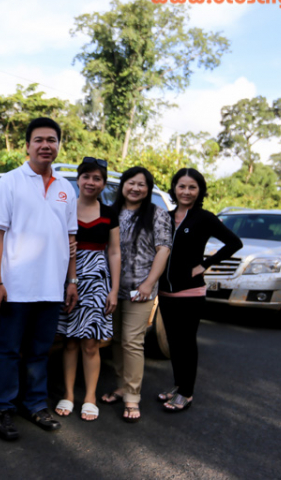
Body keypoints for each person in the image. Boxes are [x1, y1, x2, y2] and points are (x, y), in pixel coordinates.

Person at [0, 117, 79, 441]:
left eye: (51, 140)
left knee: (40, 351)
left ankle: (36, 404)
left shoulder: (67, 189)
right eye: (38, 140)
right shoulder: (10, 182)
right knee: (8, 350)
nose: (45, 145)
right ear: (27, 145)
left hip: (52, 288)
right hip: (17, 287)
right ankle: (2, 410)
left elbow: (70, 241)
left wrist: (71, 281)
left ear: (58, 145)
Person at [157, 168, 242, 412]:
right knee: (173, 342)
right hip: (165, 291)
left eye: (192, 187)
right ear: (174, 188)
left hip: (191, 292)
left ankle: (187, 392)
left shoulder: (204, 218)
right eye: (181, 186)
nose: (186, 191)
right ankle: (177, 385)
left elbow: (235, 242)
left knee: (186, 342)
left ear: (199, 191)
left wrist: (204, 265)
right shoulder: (165, 216)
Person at [100, 167, 172, 423]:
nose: (136, 188)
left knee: (132, 341)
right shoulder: (111, 211)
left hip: (141, 288)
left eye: (142, 184)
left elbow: (163, 250)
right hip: (112, 288)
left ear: (148, 189)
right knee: (117, 339)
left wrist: (149, 283)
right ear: (123, 185)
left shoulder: (157, 214)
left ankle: (132, 397)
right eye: (131, 183)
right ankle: (121, 386)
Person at [55, 157, 120, 422]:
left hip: (97, 282)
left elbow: (114, 252)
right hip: (66, 279)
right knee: (69, 342)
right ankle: (69, 395)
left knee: (90, 344)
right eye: (86, 177)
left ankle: (90, 397)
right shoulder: (65, 209)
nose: (91, 182)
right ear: (78, 180)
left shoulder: (109, 214)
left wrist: (114, 289)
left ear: (103, 183)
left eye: (97, 178)